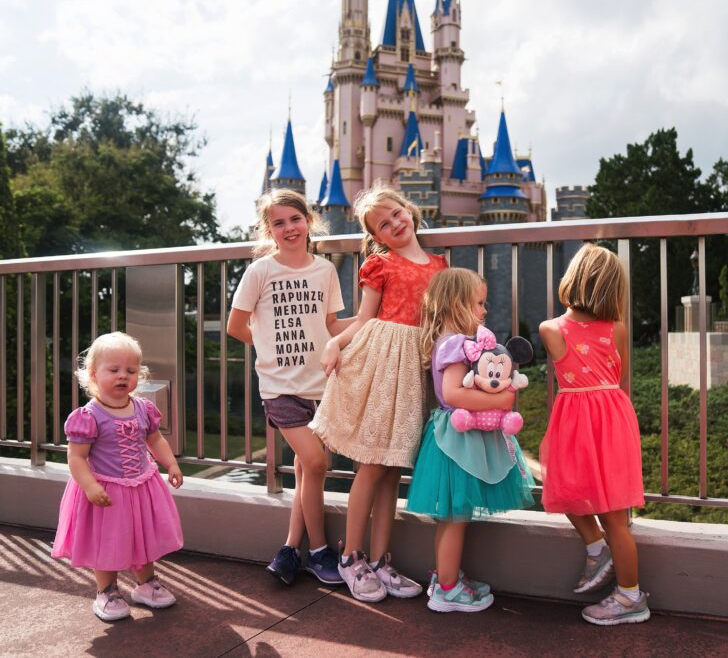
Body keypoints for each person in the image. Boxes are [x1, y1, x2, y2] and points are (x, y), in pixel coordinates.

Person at [310, 184, 447, 602]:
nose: (394, 224)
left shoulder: (440, 266)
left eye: (396, 214)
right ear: (379, 237)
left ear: (409, 209)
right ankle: (351, 557)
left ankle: (381, 559)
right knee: (371, 465)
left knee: (392, 469)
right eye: (383, 225)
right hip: (383, 364)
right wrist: (335, 343)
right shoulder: (380, 264)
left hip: (416, 368)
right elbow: (365, 320)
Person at [227, 189, 346, 587]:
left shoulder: (325, 271)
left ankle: (290, 549)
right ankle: (319, 551)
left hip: (323, 385)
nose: (289, 228)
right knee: (315, 464)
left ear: (308, 220)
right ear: (268, 230)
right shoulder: (260, 271)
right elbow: (235, 325)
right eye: (278, 223)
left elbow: (331, 326)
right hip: (279, 388)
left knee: (304, 470)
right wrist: (270, 352)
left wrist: (373, 322)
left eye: (294, 219)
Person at [406, 269, 535, 612]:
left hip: (462, 437)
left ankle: (447, 577)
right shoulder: (454, 344)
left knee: (455, 517)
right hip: (457, 440)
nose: (485, 310)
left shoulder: (457, 341)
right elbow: (451, 393)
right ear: (456, 304)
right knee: (455, 517)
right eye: (479, 303)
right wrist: (499, 402)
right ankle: (446, 590)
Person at [539, 244, 650, 626]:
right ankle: (599, 548)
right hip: (614, 417)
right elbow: (619, 379)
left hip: (577, 419)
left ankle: (630, 595)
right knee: (593, 503)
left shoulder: (550, 329)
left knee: (568, 487)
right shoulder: (617, 329)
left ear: (573, 279)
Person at [51, 332, 184, 622]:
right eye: (114, 370)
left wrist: (171, 464)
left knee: (142, 537)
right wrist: (90, 486)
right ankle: (106, 591)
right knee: (107, 543)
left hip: (140, 486)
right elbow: (76, 458)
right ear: (93, 374)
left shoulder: (142, 408)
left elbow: (155, 440)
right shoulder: (89, 416)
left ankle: (146, 584)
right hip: (106, 491)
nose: (123, 376)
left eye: (131, 370)